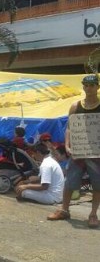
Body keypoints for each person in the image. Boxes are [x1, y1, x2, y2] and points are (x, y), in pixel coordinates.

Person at [47, 74, 100, 228]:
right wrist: (68, 145)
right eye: (86, 85)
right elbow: (70, 128)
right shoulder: (75, 106)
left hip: (97, 153)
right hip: (78, 151)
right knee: (70, 181)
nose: (89, 88)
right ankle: (64, 209)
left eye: (92, 85)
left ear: (97, 87)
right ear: (83, 87)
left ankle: (93, 214)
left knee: (97, 184)